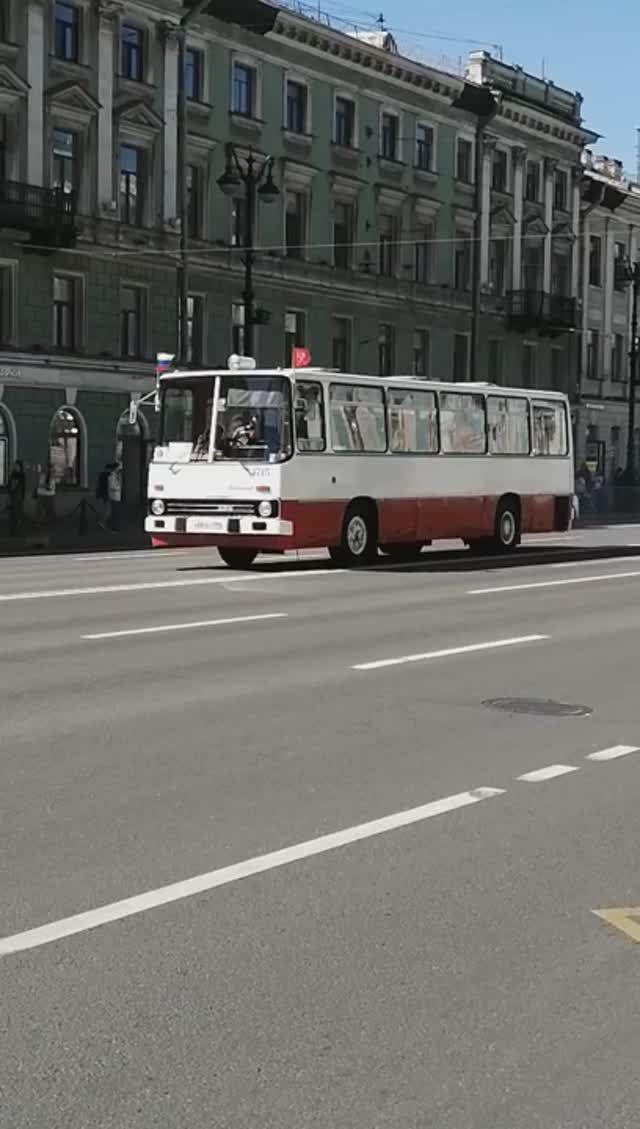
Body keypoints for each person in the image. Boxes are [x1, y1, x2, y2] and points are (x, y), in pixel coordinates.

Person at [8, 459, 26, 537]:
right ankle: (13, 532)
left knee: (17, 515)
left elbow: (23, 487)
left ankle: (16, 531)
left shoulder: (21, 475)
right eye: (15, 465)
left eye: (16, 465)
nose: (15, 466)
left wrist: (22, 497)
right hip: (14, 497)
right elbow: (10, 486)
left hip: (18, 497)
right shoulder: (14, 474)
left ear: (20, 466)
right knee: (13, 515)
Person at [107, 462, 122, 529]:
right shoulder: (112, 476)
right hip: (114, 497)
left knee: (116, 513)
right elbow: (112, 487)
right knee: (114, 513)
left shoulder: (115, 476)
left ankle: (114, 526)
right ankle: (113, 526)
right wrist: (119, 488)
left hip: (116, 496)